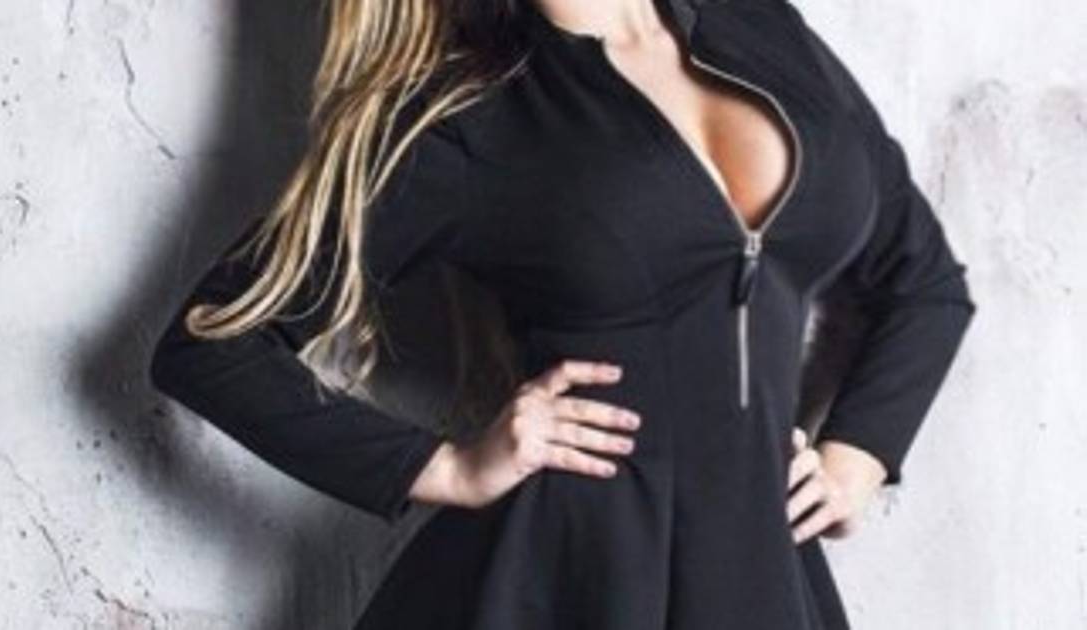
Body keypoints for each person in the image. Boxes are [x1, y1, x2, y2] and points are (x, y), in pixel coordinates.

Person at [148, 0, 978, 627]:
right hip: (572, 573)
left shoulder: (762, 26)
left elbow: (925, 282)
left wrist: (857, 458)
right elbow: (212, 343)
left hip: (765, 568)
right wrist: (442, 466)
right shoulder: (463, 112)